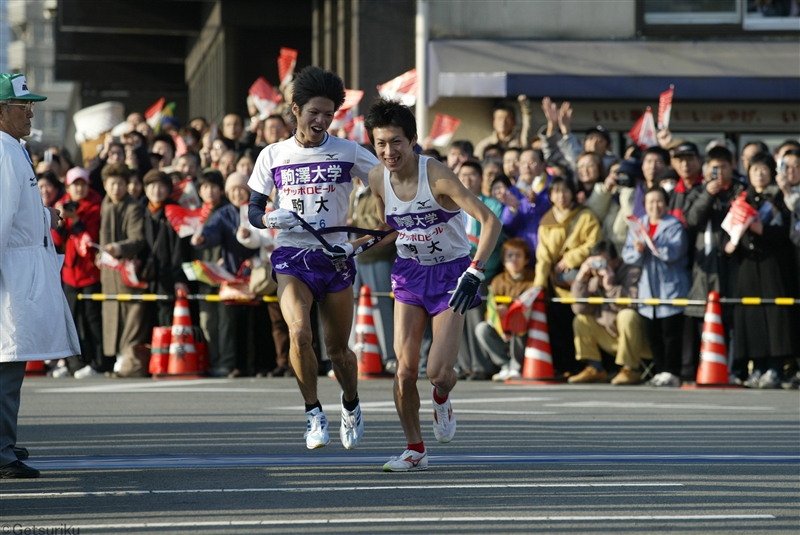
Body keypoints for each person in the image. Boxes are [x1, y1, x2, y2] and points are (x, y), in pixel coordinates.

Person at [362, 98, 501, 472]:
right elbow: (389, 228)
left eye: (396, 142)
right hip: (409, 273)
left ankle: (442, 397)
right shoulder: (377, 178)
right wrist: (351, 246)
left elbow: (490, 222)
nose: (389, 152)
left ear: (412, 141)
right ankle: (414, 449)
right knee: (405, 371)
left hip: (451, 275)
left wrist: (475, 270)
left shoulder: (436, 175)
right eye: (380, 144)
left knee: (438, 371)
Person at [247, 66, 378, 450]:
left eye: (328, 114)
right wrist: (271, 216)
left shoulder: (350, 151)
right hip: (291, 255)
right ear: (295, 110)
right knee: (300, 333)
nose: (321, 121)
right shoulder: (273, 154)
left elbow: (390, 183)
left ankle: (350, 404)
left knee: (338, 349)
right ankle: (313, 413)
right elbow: (254, 209)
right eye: (313, 113)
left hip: (335, 257)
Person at [0, 73, 80, 478]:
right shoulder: (3, 152)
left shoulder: (11, 148)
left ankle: (4, 440)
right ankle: (1, 451)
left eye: (31, 105)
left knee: (10, 364)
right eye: (22, 106)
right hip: (10, 277)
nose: (30, 112)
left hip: (19, 270)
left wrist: (44, 215)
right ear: (0, 112)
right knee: (6, 367)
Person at [726, 152, 795, 388]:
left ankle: (776, 367)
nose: (760, 174)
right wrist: (732, 243)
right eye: (755, 170)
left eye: (764, 170)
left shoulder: (779, 199)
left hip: (772, 264)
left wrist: (762, 231)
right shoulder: (742, 199)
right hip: (748, 264)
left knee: (775, 316)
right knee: (751, 316)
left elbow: (788, 233)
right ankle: (756, 366)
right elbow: (731, 227)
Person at [683, 146, 745, 382]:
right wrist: (708, 195)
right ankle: (704, 369)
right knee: (704, 320)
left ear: (732, 167)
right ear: (706, 168)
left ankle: (733, 370)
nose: (719, 173)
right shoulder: (698, 191)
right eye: (714, 168)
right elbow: (691, 220)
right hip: (705, 268)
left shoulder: (740, 192)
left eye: (724, 167)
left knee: (733, 320)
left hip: (733, 266)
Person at [622, 187, 691, 387]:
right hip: (647, 288)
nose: (655, 206)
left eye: (659, 201)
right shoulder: (638, 224)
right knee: (653, 334)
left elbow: (675, 252)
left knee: (671, 334)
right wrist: (638, 251)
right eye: (650, 202)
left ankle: (673, 372)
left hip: (671, 287)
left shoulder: (674, 224)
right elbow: (628, 255)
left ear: (667, 204)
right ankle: (660, 371)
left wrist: (652, 246)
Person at [533, 177, 602, 376]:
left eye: (565, 191)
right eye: (556, 192)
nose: (561, 196)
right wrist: (539, 285)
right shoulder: (546, 221)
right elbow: (543, 257)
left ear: (573, 193)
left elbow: (594, 243)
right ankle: (566, 366)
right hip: (558, 283)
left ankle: (587, 365)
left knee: (582, 320)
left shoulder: (585, 216)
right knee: (561, 325)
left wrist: (571, 258)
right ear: (551, 196)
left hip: (581, 279)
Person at [568, 241, 650, 385]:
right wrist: (581, 279)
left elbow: (634, 302)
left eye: (603, 262)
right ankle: (595, 368)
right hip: (610, 335)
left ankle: (630, 369)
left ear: (616, 261)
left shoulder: (631, 271)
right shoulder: (594, 279)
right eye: (594, 263)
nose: (599, 267)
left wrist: (611, 286)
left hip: (639, 340)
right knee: (581, 319)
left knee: (627, 315)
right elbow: (579, 308)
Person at [51, 167, 105, 378]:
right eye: (75, 184)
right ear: (68, 187)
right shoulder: (61, 205)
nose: (79, 188)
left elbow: (91, 241)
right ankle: (74, 363)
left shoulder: (95, 206)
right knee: (70, 319)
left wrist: (76, 219)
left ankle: (97, 362)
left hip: (90, 271)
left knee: (92, 319)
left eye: (82, 183)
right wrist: (62, 219)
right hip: (69, 273)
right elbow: (56, 241)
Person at [99, 163, 149, 378]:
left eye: (121, 183)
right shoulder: (104, 205)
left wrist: (118, 248)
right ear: (105, 185)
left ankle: (128, 363)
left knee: (131, 318)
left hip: (127, 273)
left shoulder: (133, 207)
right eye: (112, 184)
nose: (116, 188)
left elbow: (138, 239)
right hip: (108, 273)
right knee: (112, 316)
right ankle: (116, 359)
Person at [474, 238, 536, 381]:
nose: (514, 260)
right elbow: (489, 312)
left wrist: (510, 311)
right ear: (503, 261)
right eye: (509, 256)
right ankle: (505, 365)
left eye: (518, 255)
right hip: (501, 330)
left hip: (525, 331)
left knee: (517, 320)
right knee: (481, 328)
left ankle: (517, 366)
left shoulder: (533, 279)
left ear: (526, 260)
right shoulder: (498, 280)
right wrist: (496, 313)